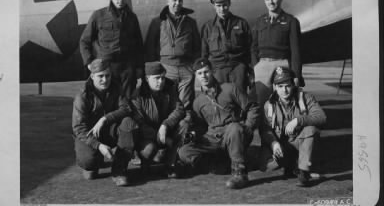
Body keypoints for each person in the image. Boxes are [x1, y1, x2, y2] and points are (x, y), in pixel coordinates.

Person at [178, 58, 260, 189]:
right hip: (213, 138)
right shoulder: (198, 101)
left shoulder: (229, 89)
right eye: (199, 73)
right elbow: (201, 126)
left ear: (212, 71)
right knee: (184, 152)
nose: (203, 76)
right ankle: (219, 164)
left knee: (234, 128)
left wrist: (249, 127)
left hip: (232, 134)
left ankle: (240, 172)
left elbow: (252, 107)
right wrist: (194, 133)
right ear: (196, 76)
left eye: (206, 72)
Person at [72, 59, 137, 186]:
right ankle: (95, 161)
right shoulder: (82, 95)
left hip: (110, 131)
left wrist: (105, 119)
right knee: (89, 164)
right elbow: (79, 128)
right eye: (100, 76)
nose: (105, 80)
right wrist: (98, 145)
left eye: (107, 75)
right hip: (90, 135)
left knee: (129, 123)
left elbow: (127, 108)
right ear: (92, 76)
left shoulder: (116, 87)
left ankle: (119, 169)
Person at [259, 66, 326, 187]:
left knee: (311, 129)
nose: (284, 90)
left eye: (287, 86)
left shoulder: (306, 98)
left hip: (299, 143)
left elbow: (322, 117)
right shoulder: (269, 105)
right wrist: (274, 143)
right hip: (282, 146)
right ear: (274, 87)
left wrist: (298, 120)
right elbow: (265, 129)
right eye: (280, 86)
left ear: (293, 84)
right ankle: (292, 166)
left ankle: (303, 171)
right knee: (266, 166)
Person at [80, 0, 144, 98]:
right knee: (108, 100)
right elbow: (84, 41)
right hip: (106, 67)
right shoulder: (99, 15)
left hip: (127, 68)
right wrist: (89, 62)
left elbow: (139, 45)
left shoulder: (132, 17)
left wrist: (139, 67)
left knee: (128, 101)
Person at [145, 0, 201, 110]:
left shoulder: (191, 22)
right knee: (169, 100)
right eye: (174, 0)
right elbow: (150, 46)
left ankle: (186, 125)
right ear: (168, 1)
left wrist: (193, 67)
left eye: (180, 0)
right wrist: (156, 68)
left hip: (186, 67)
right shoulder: (157, 22)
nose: (177, 3)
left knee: (186, 102)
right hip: (166, 67)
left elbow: (197, 46)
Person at [251, 0, 304, 110]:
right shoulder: (259, 21)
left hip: (283, 64)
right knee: (262, 103)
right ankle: (265, 130)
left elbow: (296, 50)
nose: (271, 1)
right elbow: (253, 47)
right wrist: (255, 68)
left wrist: (296, 74)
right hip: (263, 66)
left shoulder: (291, 21)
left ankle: (285, 129)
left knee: (285, 103)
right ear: (264, 1)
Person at [131, 62, 188, 178]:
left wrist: (165, 125)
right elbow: (139, 122)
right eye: (156, 78)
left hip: (166, 130)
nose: (161, 82)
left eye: (162, 78)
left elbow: (179, 109)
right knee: (149, 149)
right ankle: (145, 164)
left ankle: (170, 164)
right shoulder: (137, 95)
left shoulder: (170, 88)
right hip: (147, 136)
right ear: (147, 79)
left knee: (183, 124)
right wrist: (162, 138)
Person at [201, 0, 253, 93]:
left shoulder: (241, 23)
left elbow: (250, 49)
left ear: (229, 3)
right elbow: (204, 54)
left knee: (240, 99)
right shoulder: (208, 27)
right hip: (217, 70)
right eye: (218, 6)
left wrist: (249, 71)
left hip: (238, 68)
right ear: (214, 6)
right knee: (221, 99)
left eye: (224, 5)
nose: (222, 9)